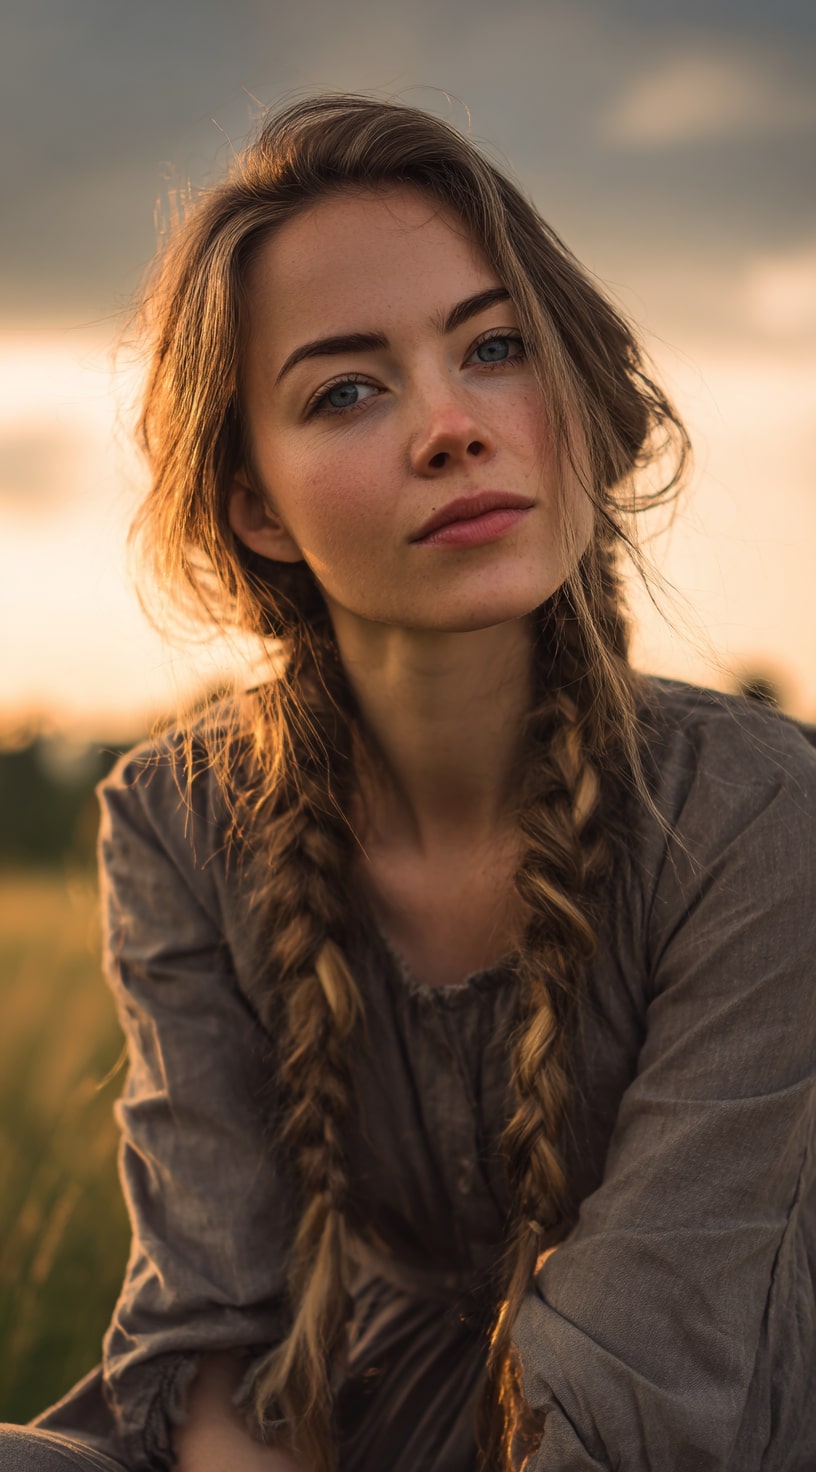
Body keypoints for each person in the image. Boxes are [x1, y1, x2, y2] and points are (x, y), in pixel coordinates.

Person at [3, 93, 815, 1472]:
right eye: (347, 390)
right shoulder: (177, 822)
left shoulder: (756, 812)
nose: (450, 426)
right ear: (256, 503)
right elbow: (220, 1337)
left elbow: (638, 1396)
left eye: (495, 349)